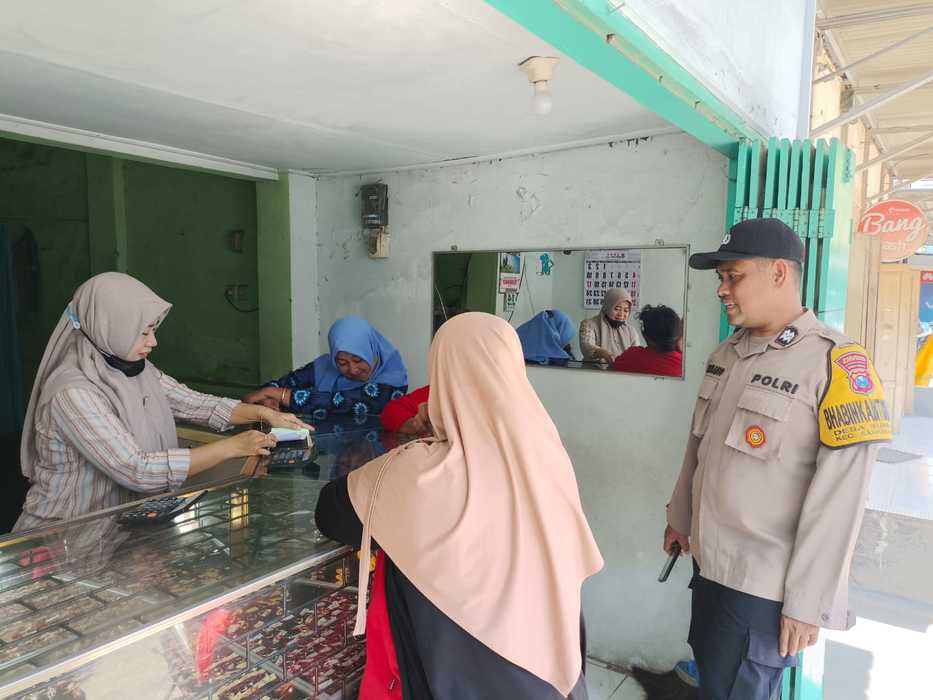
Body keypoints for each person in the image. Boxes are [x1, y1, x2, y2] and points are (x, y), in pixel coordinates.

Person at [315, 313, 603, 699]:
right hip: (550, 675)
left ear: (442, 373)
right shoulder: (547, 455)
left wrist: (430, 434)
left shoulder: (420, 472)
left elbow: (331, 512)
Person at [663, 218, 892, 700]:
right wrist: (680, 518)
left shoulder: (835, 364)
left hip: (763, 588)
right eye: (720, 278)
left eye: (734, 276)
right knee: (712, 681)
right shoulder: (726, 354)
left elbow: (841, 499)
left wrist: (809, 602)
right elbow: (697, 448)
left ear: (779, 273)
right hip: (709, 567)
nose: (722, 290)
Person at [15, 273, 310, 532]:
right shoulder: (72, 393)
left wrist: (262, 413)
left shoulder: (133, 368)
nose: (152, 342)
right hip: (63, 538)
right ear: (108, 326)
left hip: (116, 532)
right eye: (143, 332)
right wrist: (234, 447)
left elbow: (194, 403)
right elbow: (136, 469)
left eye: (153, 330)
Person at [244, 317, 408, 420]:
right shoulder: (325, 366)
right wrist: (269, 400)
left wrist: (280, 394)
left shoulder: (392, 383)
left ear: (371, 350)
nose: (352, 369)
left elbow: (338, 403)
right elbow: (284, 383)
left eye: (358, 359)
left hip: (372, 452)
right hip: (329, 450)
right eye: (342, 363)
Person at [611, 305, 683, 377]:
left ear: (647, 337)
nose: (621, 314)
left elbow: (611, 371)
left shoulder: (631, 357)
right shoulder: (683, 364)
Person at [579, 288, 644, 364]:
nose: (621, 314)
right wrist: (604, 354)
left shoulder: (631, 330)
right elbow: (586, 347)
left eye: (626, 310)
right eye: (617, 309)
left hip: (622, 370)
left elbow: (636, 354)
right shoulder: (588, 324)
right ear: (607, 306)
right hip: (592, 370)